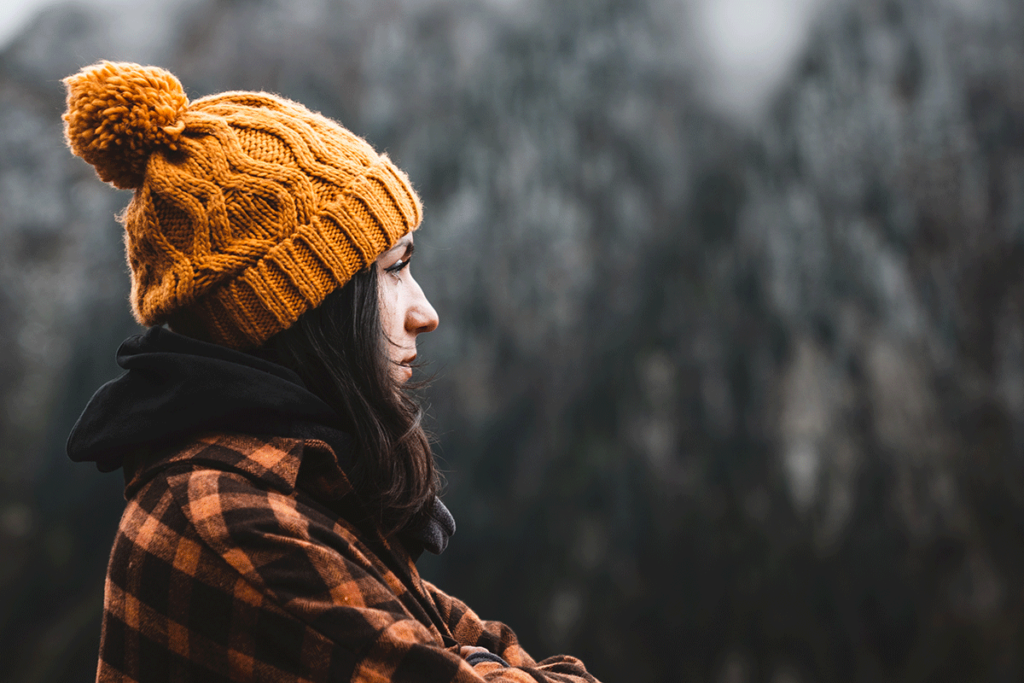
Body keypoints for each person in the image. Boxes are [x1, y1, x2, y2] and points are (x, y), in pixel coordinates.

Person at [63, 61, 599, 683]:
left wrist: (470, 656)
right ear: (300, 307)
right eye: (393, 269)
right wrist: (475, 661)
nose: (426, 312)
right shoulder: (235, 522)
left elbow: (459, 640)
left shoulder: (301, 486)